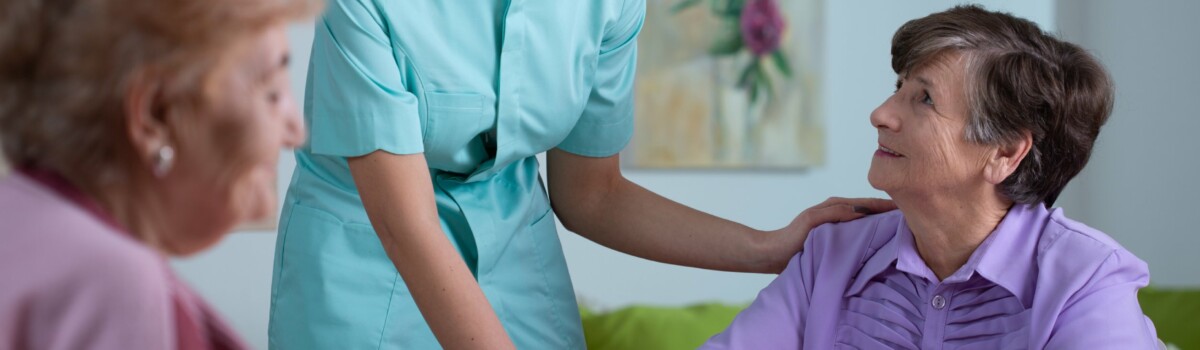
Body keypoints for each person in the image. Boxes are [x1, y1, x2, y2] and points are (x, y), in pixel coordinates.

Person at [267, 0, 894, 348]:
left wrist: (768, 247)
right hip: (366, 245)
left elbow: (592, 194)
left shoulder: (609, 5)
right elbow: (407, 225)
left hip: (516, 240)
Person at [702, 5, 1161, 349]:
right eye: (897, 87)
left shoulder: (1086, 279)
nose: (880, 115)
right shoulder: (833, 253)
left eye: (923, 99)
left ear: (1004, 151)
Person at [0, 0, 319, 348]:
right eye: (272, 92)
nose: (296, 131)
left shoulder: (17, 217)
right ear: (156, 114)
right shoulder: (114, 286)